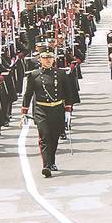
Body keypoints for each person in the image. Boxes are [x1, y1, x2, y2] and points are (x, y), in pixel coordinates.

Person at [20, 48, 75, 176]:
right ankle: (46, 165)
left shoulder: (60, 74)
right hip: (41, 109)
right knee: (45, 136)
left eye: (50, 58)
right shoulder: (34, 75)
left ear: (54, 59)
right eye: (45, 58)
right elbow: (27, 94)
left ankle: (51, 162)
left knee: (54, 137)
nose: (48, 60)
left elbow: (68, 93)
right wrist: (24, 111)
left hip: (57, 109)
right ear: (40, 59)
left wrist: (68, 111)